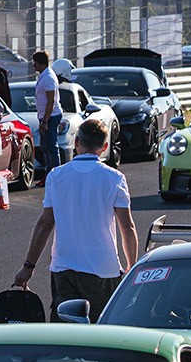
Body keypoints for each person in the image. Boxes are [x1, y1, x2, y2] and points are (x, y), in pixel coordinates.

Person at [13, 118, 137, 320]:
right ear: (104, 146)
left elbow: (45, 223)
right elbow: (127, 227)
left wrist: (28, 266)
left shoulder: (56, 176)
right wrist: (132, 266)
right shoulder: (115, 178)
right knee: (101, 332)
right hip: (103, 270)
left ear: (77, 141)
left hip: (64, 269)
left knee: (65, 332)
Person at [31, 50, 62, 172]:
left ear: (42, 64)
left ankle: (55, 173)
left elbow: (51, 101)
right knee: (45, 146)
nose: (34, 66)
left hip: (51, 116)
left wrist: (45, 121)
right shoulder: (43, 75)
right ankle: (49, 172)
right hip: (45, 116)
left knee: (51, 146)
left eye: (35, 64)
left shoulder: (48, 77)